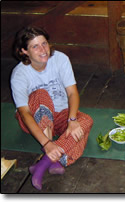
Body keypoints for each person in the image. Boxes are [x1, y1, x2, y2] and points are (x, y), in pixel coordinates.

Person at [10, 26, 94, 190]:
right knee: (41, 94)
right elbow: (25, 113)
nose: (43, 50)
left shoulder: (61, 59)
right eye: (35, 46)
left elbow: (72, 93)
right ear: (24, 51)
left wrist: (72, 120)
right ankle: (52, 151)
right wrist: (47, 142)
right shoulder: (19, 74)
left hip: (61, 115)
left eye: (44, 43)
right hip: (32, 120)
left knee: (86, 121)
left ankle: (45, 163)